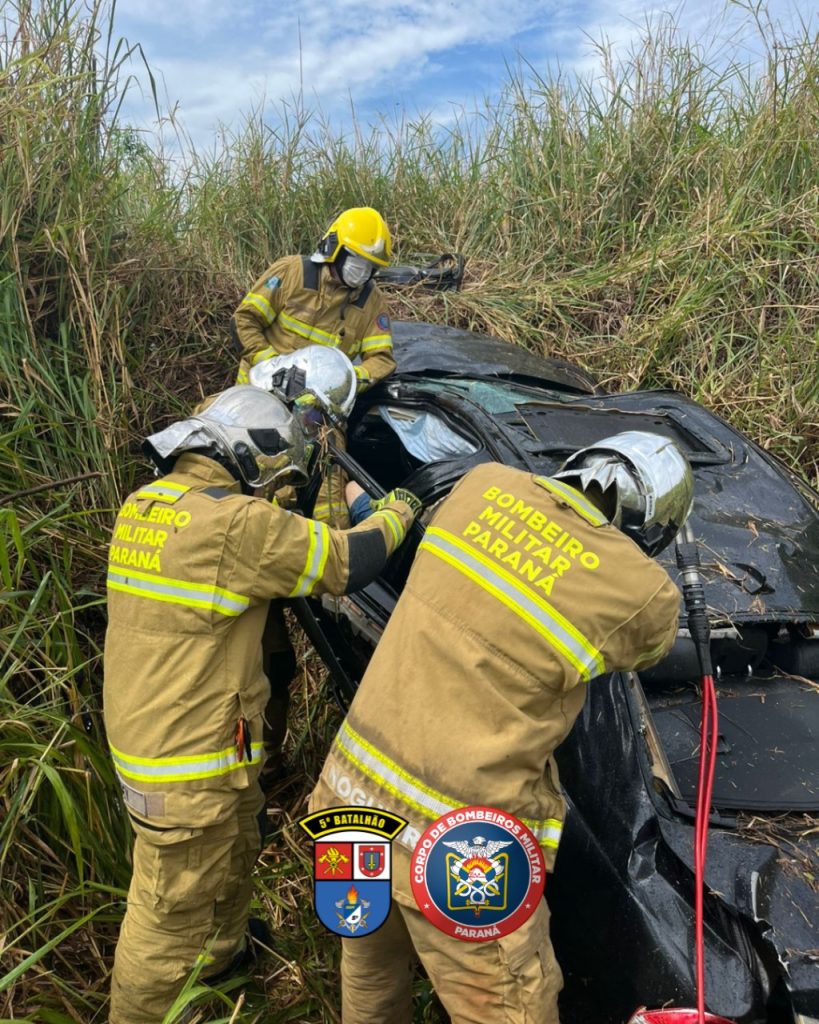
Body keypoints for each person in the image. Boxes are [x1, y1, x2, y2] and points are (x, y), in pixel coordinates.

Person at [310, 431, 694, 1024]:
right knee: (511, 1004)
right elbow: (650, 646)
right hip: (460, 847)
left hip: (348, 799)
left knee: (370, 976)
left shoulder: (481, 485)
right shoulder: (643, 591)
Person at [103, 385, 420, 1024]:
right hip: (188, 767)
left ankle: (220, 964)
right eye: (278, 470)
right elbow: (344, 562)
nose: (278, 483)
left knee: (234, 846)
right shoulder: (238, 526)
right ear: (251, 455)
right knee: (167, 916)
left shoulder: (148, 504)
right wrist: (398, 511)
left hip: (163, 740)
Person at [233, 206, 396, 528]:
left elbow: (382, 359)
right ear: (334, 248)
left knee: (328, 493)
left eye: (370, 267)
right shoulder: (292, 273)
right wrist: (273, 365)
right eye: (358, 262)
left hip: (318, 416)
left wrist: (344, 382)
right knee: (259, 483)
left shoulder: (370, 301)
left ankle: (335, 548)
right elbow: (245, 320)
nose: (362, 273)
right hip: (259, 405)